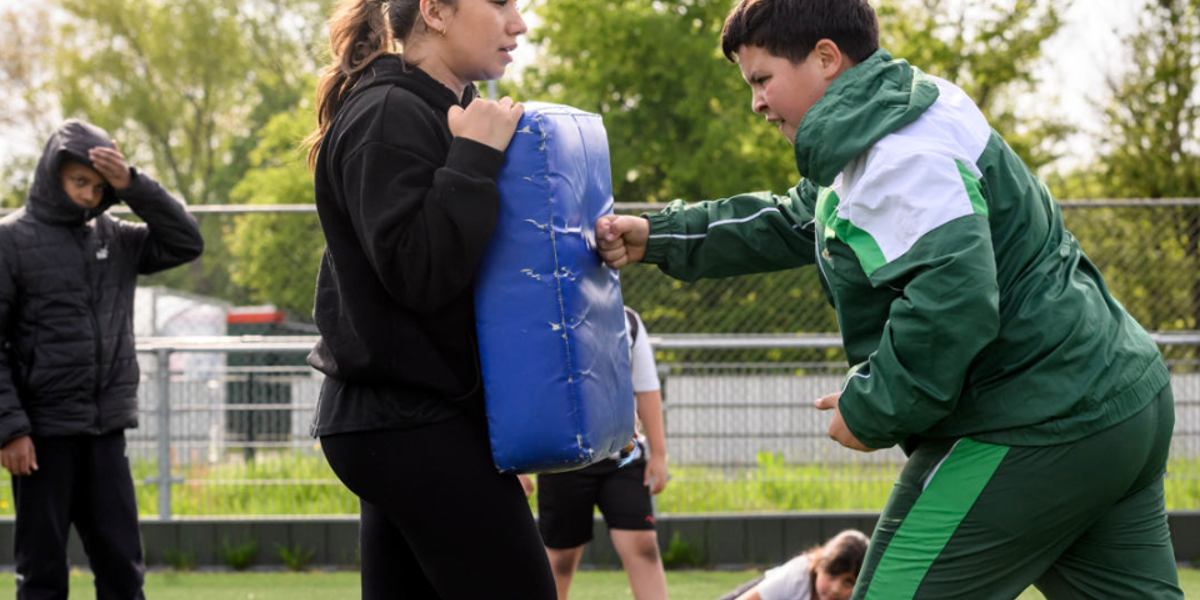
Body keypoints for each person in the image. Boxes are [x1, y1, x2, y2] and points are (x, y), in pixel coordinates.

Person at [593, 0, 1183, 598]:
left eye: (763, 80)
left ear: (826, 58)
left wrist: (873, 406)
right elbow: (798, 219)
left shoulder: (899, 153)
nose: (757, 104)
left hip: (1034, 417)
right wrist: (662, 235)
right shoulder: (902, 113)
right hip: (1122, 399)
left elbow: (953, 303)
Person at [303, 0, 555, 598]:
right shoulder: (389, 112)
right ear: (435, 11)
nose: (517, 23)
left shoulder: (437, 109)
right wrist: (474, 159)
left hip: (412, 422)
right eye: (499, 5)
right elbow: (420, 275)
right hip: (405, 423)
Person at [0, 118, 204, 599]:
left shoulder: (116, 238)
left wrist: (131, 183)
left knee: (122, 571)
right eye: (79, 181)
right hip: (41, 437)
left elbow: (186, 241)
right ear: (53, 175)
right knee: (43, 574)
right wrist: (10, 428)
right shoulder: (11, 241)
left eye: (98, 185)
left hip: (105, 433)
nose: (90, 195)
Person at [520, 305, 670, 600]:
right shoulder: (548, 318)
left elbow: (647, 388)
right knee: (560, 558)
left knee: (643, 545)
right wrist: (521, 464)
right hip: (564, 460)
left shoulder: (628, 321)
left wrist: (659, 455)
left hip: (624, 457)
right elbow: (528, 392)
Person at [716, 529, 868, 600]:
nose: (836, 589)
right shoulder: (796, 576)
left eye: (848, 582)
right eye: (832, 574)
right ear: (819, 565)